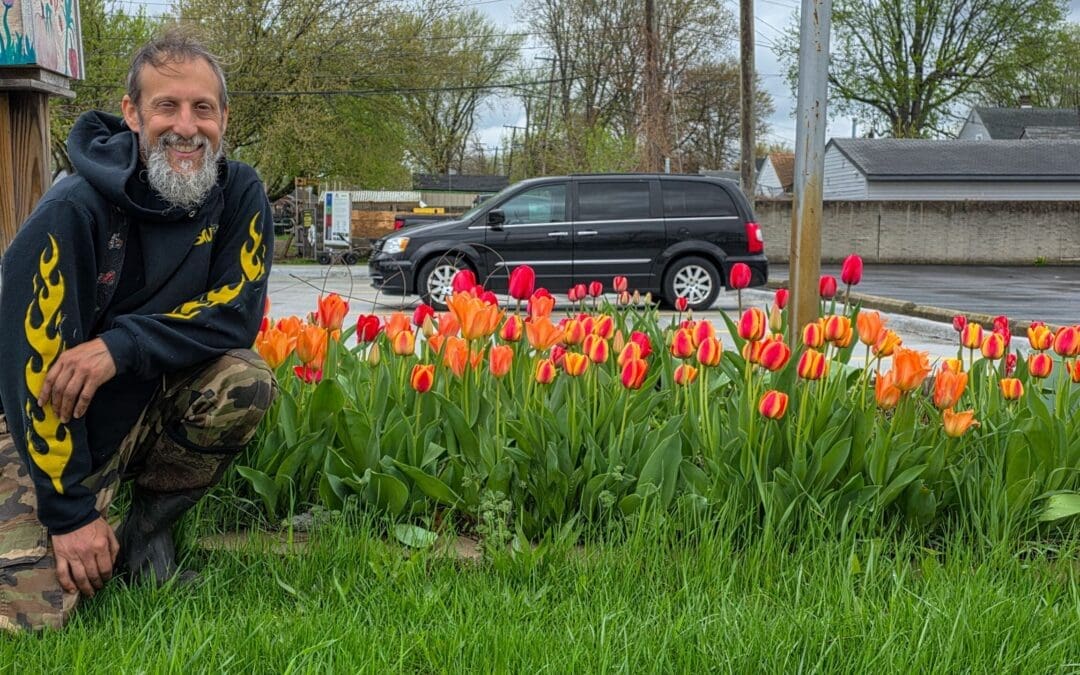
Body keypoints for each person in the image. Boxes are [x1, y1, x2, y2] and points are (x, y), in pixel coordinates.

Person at [0, 30, 276, 633]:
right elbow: (30, 372)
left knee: (244, 380)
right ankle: (73, 518)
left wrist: (118, 346)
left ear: (223, 118)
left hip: (149, 396)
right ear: (132, 114)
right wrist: (68, 512)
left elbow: (237, 310)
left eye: (202, 108)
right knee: (30, 618)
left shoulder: (239, 193)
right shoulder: (73, 208)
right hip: (55, 418)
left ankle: (147, 538)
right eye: (165, 106)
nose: (186, 125)